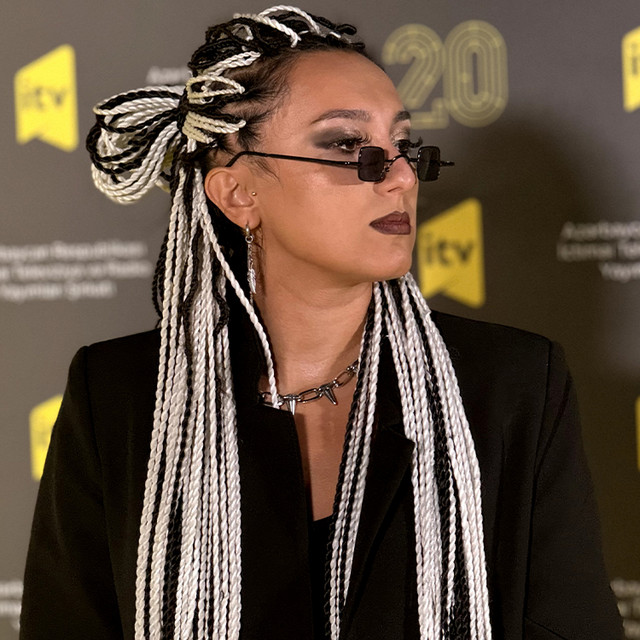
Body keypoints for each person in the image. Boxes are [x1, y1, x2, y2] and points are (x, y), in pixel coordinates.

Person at [20, 6, 622, 640]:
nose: (400, 176)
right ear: (238, 194)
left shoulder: (512, 385)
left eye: (404, 146)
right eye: (346, 145)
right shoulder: (118, 395)